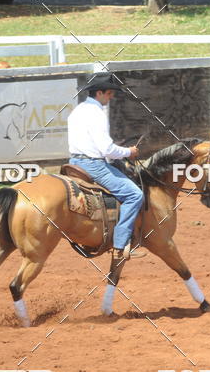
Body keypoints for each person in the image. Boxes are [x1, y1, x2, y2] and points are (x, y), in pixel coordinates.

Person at [67, 74, 145, 287]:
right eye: (109, 93)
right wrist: (128, 152)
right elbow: (106, 149)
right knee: (134, 194)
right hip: (93, 165)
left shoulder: (77, 110)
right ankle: (120, 245)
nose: (110, 98)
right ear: (99, 93)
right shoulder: (97, 113)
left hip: (74, 162)